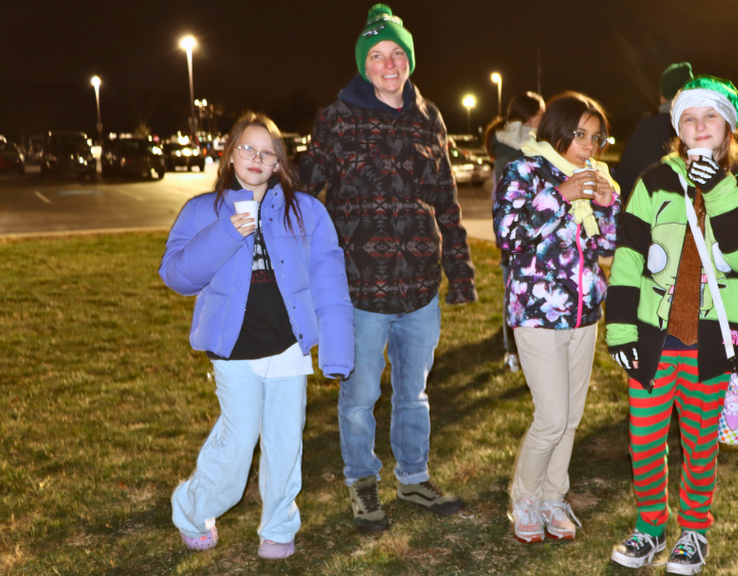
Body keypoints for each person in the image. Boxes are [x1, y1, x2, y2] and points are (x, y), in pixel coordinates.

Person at [298, 3, 477, 534]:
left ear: (410, 60)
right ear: (364, 64)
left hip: (419, 284)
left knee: (414, 392)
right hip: (358, 289)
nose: (389, 63)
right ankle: (361, 483)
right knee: (359, 397)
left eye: (397, 53)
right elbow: (307, 190)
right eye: (377, 55)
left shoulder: (430, 118)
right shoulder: (337, 117)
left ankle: (415, 477)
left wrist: (459, 271)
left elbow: (445, 200)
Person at [160, 112, 355, 560]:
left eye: (267, 152)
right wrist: (225, 234)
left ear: (278, 164)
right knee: (238, 438)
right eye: (247, 148)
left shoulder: (306, 210)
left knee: (287, 441)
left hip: (288, 348)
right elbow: (177, 275)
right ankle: (193, 509)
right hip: (234, 352)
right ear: (230, 155)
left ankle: (279, 527)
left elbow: (328, 277)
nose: (256, 158)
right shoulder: (203, 210)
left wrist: (338, 346)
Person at [605, 76, 738, 574]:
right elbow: (629, 258)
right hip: (653, 339)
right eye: (689, 119)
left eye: (710, 117)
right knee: (645, 440)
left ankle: (694, 531)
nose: (699, 126)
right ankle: (651, 527)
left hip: (713, 342)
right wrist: (620, 329)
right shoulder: (655, 180)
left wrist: (718, 189)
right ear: (677, 127)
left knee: (700, 441)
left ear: (728, 126)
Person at [493, 91, 620, 543]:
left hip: (585, 313)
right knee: (550, 416)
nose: (588, 145)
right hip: (538, 313)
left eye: (596, 137)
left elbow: (608, 246)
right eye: (579, 134)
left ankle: (553, 495)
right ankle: (523, 498)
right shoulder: (524, 170)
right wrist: (559, 196)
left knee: (570, 417)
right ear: (558, 130)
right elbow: (510, 237)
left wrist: (606, 205)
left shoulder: (597, 176)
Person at [483, 91, 546, 373]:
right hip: (528, 234)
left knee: (515, 295)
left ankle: (517, 353)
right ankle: (515, 353)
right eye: (543, 114)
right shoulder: (524, 146)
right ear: (532, 117)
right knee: (520, 298)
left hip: (510, 234)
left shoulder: (502, 142)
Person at [615, 62, 694, 203]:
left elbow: (625, 179)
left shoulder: (647, 128)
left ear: (662, 96)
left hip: (649, 213)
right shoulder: (701, 127)